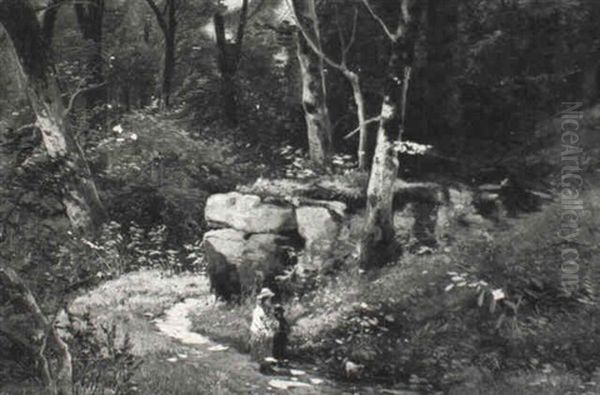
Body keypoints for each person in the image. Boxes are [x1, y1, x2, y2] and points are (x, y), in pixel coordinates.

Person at [250, 287, 277, 362]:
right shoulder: (258, 310)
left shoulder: (268, 310)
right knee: (262, 346)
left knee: (269, 342)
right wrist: (265, 330)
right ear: (264, 300)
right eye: (269, 299)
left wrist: (272, 327)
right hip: (258, 332)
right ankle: (261, 363)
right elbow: (259, 323)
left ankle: (267, 362)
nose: (270, 301)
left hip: (265, 332)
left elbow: (271, 321)